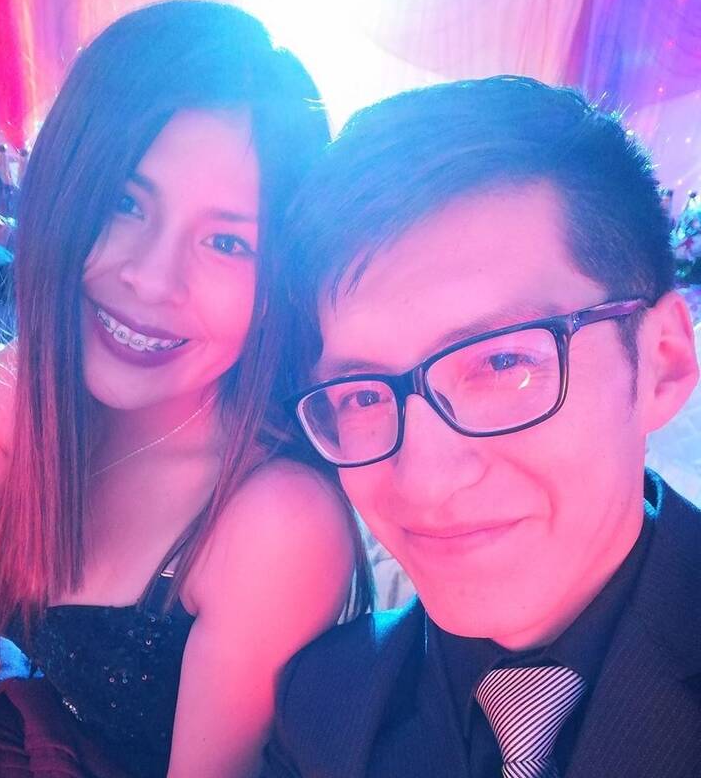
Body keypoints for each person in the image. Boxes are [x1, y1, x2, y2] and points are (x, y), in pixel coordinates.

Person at [0, 1, 371, 778]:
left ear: (278, 279)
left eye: (227, 242)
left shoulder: (274, 521)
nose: (151, 278)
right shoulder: (25, 396)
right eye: (125, 203)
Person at [261, 76, 701, 777]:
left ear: (663, 363)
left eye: (501, 362)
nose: (426, 482)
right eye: (364, 396)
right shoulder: (324, 707)